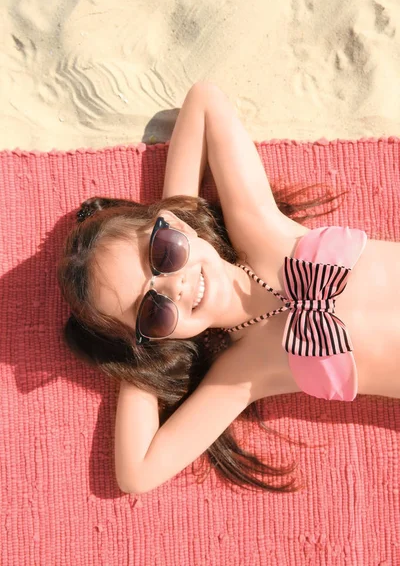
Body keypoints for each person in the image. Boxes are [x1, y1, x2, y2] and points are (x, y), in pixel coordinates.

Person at [57, 82, 398, 496]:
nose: (176, 285)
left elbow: (204, 101)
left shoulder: (262, 232)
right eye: (152, 309)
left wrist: (176, 208)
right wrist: (141, 358)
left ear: (174, 225)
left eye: (163, 254)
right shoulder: (243, 373)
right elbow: (136, 474)